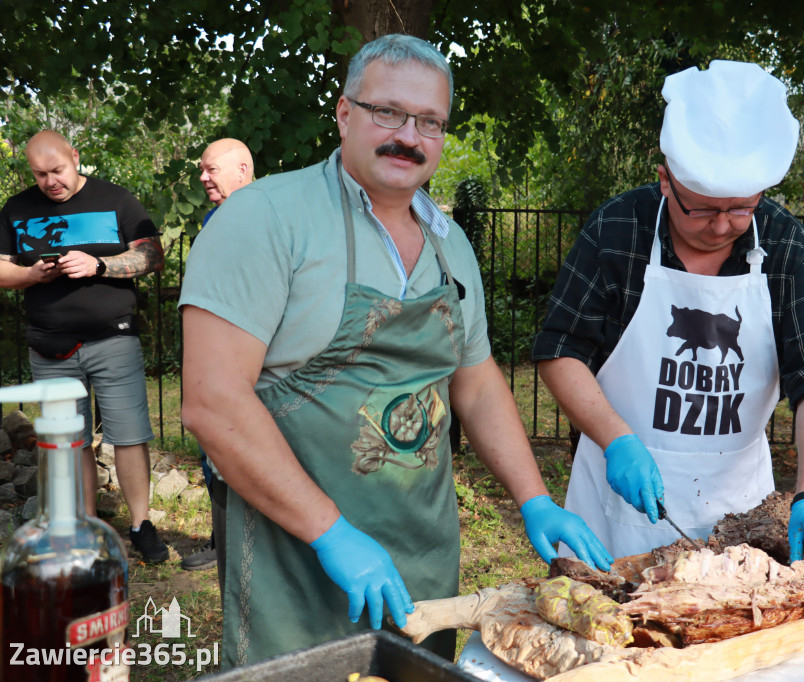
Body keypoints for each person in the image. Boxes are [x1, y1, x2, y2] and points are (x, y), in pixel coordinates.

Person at [178, 34, 612, 668]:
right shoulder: (265, 220)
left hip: (422, 557)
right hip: (295, 555)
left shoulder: (449, 243)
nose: (408, 135)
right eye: (387, 112)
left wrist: (534, 498)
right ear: (345, 112)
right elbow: (213, 403)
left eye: (429, 121)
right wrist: (331, 534)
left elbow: (477, 379)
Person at [532, 60, 804, 567]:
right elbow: (560, 351)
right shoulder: (618, 232)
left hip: (742, 514)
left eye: (741, 209)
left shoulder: (788, 248)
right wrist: (615, 438)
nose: (722, 226)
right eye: (702, 209)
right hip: (614, 512)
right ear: (666, 180)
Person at [0, 130, 168, 563]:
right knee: (69, 443)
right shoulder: (16, 209)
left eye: (57, 170)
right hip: (49, 347)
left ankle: (141, 526)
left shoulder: (116, 199)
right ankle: (87, 532)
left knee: (129, 436)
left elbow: (152, 255)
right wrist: (32, 276)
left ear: (75, 157)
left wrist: (100, 264)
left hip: (113, 337)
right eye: (40, 174)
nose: (50, 181)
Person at [180, 138, 255, 577]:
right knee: (215, 451)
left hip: (249, 356)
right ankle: (222, 540)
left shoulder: (265, 216)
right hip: (213, 354)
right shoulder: (214, 219)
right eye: (202, 170)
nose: (203, 177)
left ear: (242, 169)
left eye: (211, 169)